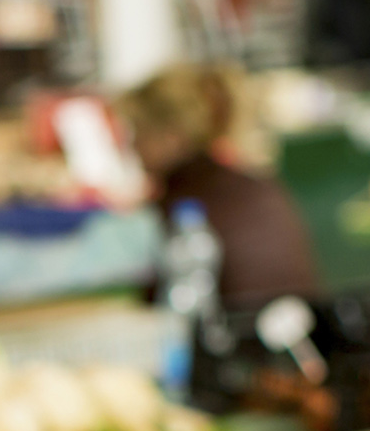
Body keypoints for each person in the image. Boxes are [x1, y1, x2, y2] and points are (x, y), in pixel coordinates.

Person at [120, 61, 322, 307]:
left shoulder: (183, 204)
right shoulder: (256, 184)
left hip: (233, 329)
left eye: (139, 132)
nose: (132, 147)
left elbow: (162, 301)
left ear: (171, 138)